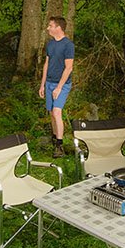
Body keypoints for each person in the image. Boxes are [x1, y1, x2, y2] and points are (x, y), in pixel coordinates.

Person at [37, 16, 74, 158]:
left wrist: (59, 87)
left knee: (57, 112)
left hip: (62, 85)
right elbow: (46, 64)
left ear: (58, 28)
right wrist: (42, 84)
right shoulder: (50, 44)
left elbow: (69, 68)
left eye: (50, 26)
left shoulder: (68, 45)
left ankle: (60, 146)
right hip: (49, 83)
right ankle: (54, 137)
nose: (48, 28)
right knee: (52, 113)